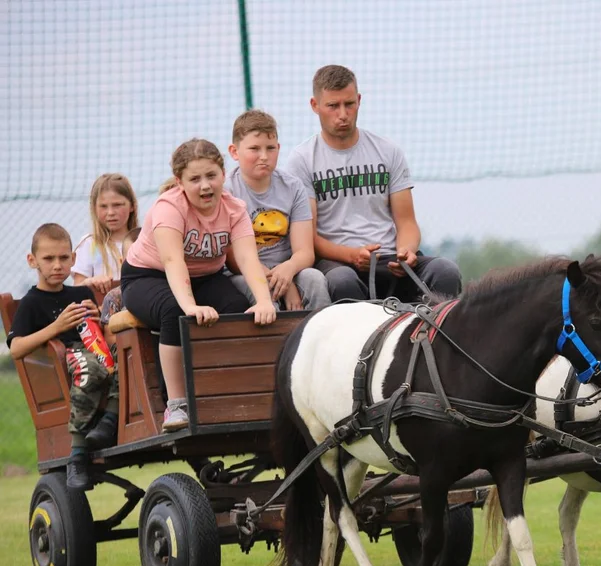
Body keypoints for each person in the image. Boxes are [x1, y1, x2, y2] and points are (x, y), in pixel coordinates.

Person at [121, 138, 276, 432]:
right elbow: (172, 261)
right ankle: (177, 405)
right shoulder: (169, 207)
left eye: (211, 176)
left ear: (222, 174)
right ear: (180, 181)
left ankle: (229, 393)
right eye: (195, 179)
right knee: (174, 310)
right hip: (147, 275)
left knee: (236, 307)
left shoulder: (235, 209)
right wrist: (190, 305)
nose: (205, 186)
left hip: (206, 277)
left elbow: (247, 259)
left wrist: (264, 300)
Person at [285, 64, 462, 303]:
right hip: (340, 263)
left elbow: (407, 222)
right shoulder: (302, 159)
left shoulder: (387, 151)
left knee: (445, 272)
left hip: (391, 259)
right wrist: (351, 255)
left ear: (359, 100)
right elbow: (309, 238)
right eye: (333, 106)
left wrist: (406, 251)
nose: (343, 114)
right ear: (315, 106)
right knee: (341, 281)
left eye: (349, 104)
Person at [6, 224, 121, 490]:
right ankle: (77, 454)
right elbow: (17, 348)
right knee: (90, 367)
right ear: (32, 261)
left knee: (127, 357)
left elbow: (101, 331)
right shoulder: (31, 302)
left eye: (63, 258)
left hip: (95, 347)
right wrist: (55, 328)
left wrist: (98, 317)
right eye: (48, 259)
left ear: (73, 259)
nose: (57, 265)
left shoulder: (81, 293)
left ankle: (110, 420)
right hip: (66, 359)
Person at [224, 109, 329, 311]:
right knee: (263, 294)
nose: (263, 156)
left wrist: (288, 271)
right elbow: (233, 258)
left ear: (279, 148)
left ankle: (321, 337)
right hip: (244, 273)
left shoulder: (293, 187)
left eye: (270, 148)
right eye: (254, 148)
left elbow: (305, 252)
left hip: (287, 269)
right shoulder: (227, 192)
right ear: (234, 152)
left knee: (314, 279)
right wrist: (281, 282)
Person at [72, 173, 139, 295]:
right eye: (103, 206)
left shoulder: (143, 241)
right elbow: (77, 288)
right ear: (94, 208)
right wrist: (90, 282)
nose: (110, 212)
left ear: (132, 206)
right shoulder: (89, 244)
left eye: (117, 205)